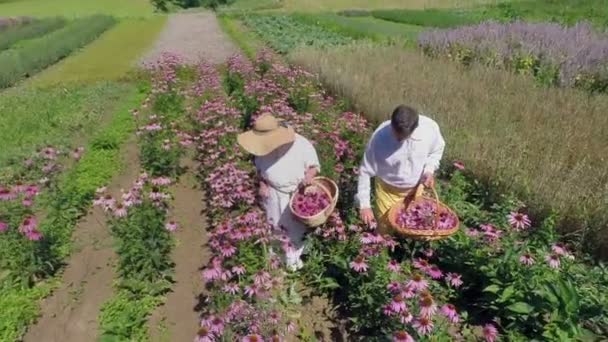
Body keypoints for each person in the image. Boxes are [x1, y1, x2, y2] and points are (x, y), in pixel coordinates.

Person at [237, 113, 320, 271]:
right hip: (274, 193)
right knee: (275, 228)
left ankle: (294, 262)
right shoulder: (260, 149)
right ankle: (276, 261)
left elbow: (313, 166)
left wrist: (309, 177)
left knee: (296, 230)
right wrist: (262, 184)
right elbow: (259, 170)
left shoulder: (301, 144)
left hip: (297, 193)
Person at [356, 105, 446, 233]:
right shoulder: (379, 138)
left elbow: (436, 152)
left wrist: (429, 170)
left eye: (403, 137)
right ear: (391, 124)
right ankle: (382, 249)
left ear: (415, 128)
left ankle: (403, 247)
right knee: (385, 228)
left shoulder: (429, 130)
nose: (399, 140)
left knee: (413, 226)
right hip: (388, 190)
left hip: (415, 189)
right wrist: (365, 205)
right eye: (396, 135)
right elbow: (365, 171)